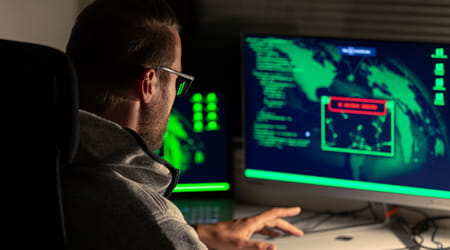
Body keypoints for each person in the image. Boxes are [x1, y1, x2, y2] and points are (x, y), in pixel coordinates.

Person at [62, 0, 304, 249]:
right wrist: (177, 234)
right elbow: (149, 229)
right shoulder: (151, 220)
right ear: (149, 84)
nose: (176, 95)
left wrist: (194, 233)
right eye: (177, 80)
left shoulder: (44, 165)